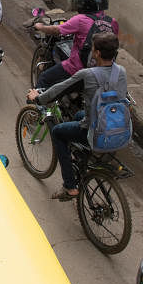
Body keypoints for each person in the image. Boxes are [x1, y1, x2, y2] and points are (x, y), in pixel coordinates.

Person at [27, 31, 127, 200]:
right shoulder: (121, 72)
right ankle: (81, 157)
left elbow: (59, 89)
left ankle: (70, 186)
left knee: (58, 132)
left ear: (97, 53)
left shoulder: (87, 75)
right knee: (79, 115)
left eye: (93, 49)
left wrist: (38, 97)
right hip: (119, 128)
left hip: (95, 131)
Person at [33, 0, 118, 91]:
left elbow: (56, 30)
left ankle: (35, 104)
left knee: (44, 78)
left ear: (85, 4)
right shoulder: (112, 22)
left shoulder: (80, 20)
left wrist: (40, 27)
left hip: (77, 69)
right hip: (104, 71)